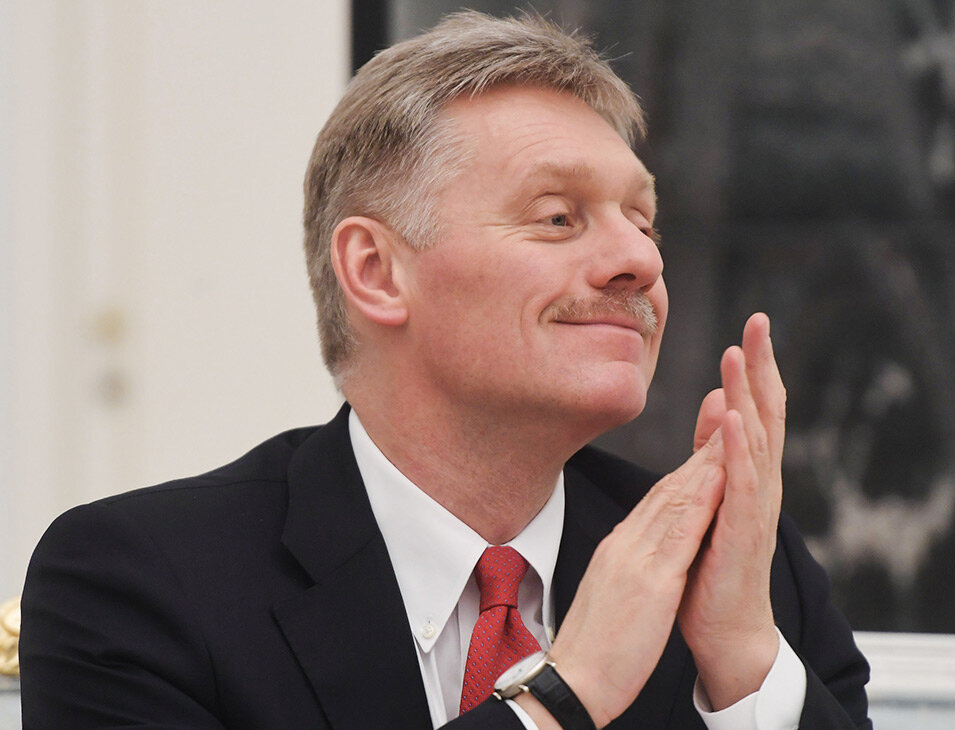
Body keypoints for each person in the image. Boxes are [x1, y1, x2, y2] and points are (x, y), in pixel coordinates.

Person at [20, 11, 871, 730]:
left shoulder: (746, 581)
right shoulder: (143, 583)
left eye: (643, 221)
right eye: (558, 217)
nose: (639, 261)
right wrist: (560, 699)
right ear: (377, 272)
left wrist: (743, 669)